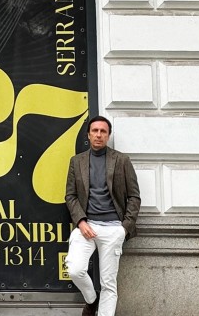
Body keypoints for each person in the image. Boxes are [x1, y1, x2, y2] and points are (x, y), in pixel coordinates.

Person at [64, 116, 141, 316]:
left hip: (113, 228)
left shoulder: (121, 160)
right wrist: (80, 221)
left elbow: (134, 196)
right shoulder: (77, 161)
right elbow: (70, 195)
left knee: (108, 283)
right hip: (86, 226)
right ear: (88, 134)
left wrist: (124, 228)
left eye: (103, 131)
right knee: (75, 268)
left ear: (108, 135)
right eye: (95, 131)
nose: (99, 135)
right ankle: (92, 300)